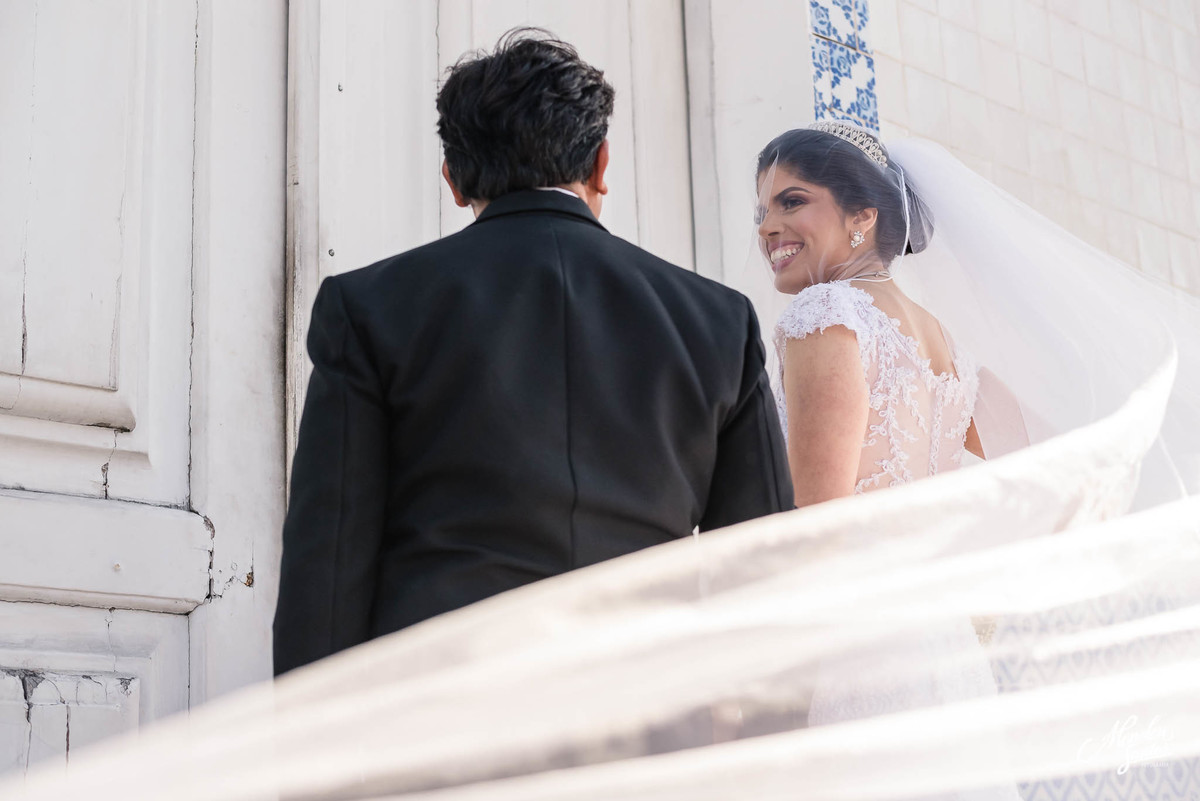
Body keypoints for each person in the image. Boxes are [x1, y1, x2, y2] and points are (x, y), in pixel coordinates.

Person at [271, 30, 793, 676]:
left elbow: (325, 574)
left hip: (437, 730)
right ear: (602, 164)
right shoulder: (720, 323)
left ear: (454, 181)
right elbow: (764, 571)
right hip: (647, 727)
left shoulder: (370, 307)